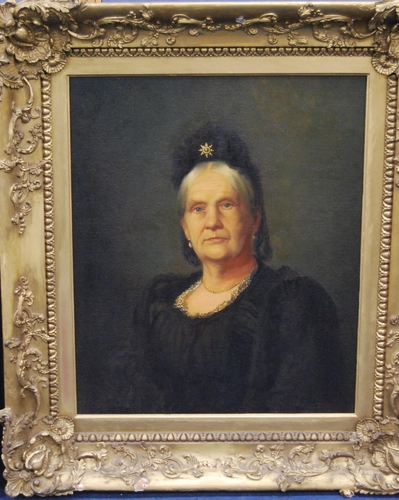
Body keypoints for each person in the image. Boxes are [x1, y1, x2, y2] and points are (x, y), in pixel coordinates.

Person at [122, 124, 350, 414]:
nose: (212, 221)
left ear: (254, 219)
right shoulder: (157, 301)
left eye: (227, 205)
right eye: (198, 208)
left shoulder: (290, 302)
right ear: (186, 228)